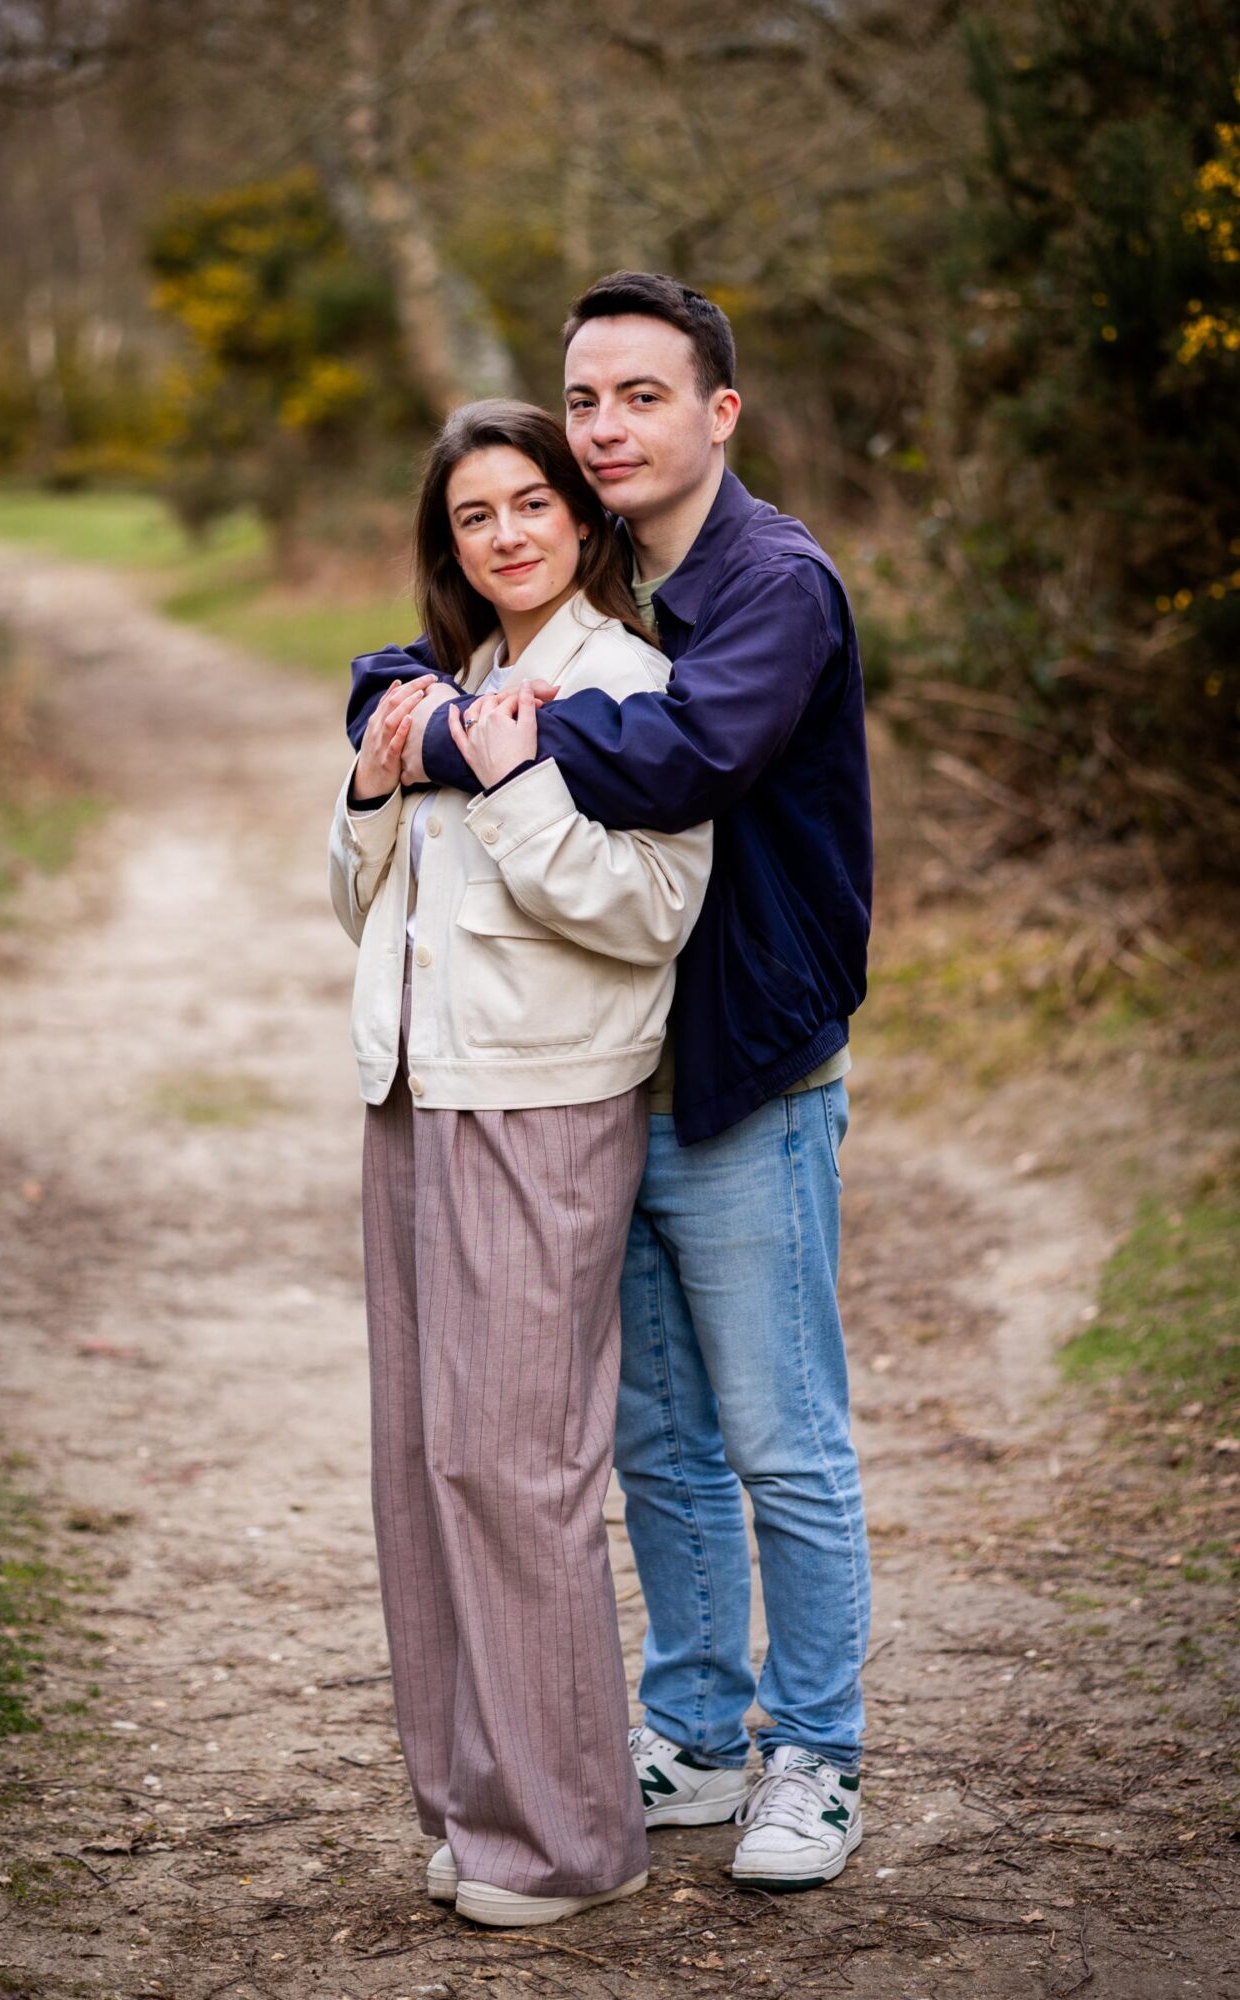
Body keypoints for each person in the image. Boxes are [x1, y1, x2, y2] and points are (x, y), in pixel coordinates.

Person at [346, 273, 873, 1893]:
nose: (605, 427)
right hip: (606, 1083)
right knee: (653, 1441)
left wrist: (460, 739)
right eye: (585, 400)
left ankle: (815, 1754)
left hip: (744, 1065)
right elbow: (431, 664)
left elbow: (679, 761)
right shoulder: (623, 573)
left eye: (640, 396)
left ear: (718, 411)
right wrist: (405, 709)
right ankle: (695, 1735)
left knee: (778, 1434)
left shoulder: (769, 583)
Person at [328, 398, 712, 1928]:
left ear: (582, 514)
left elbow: (647, 914)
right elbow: (367, 908)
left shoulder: (629, 687)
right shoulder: (453, 682)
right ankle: (472, 1807)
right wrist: (372, 794)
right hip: (412, 1095)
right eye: (473, 516)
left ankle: (566, 1841)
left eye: (530, 503)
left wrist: (513, 782)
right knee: (422, 1464)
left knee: (514, 1467)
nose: (505, 536)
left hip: (542, 1105)